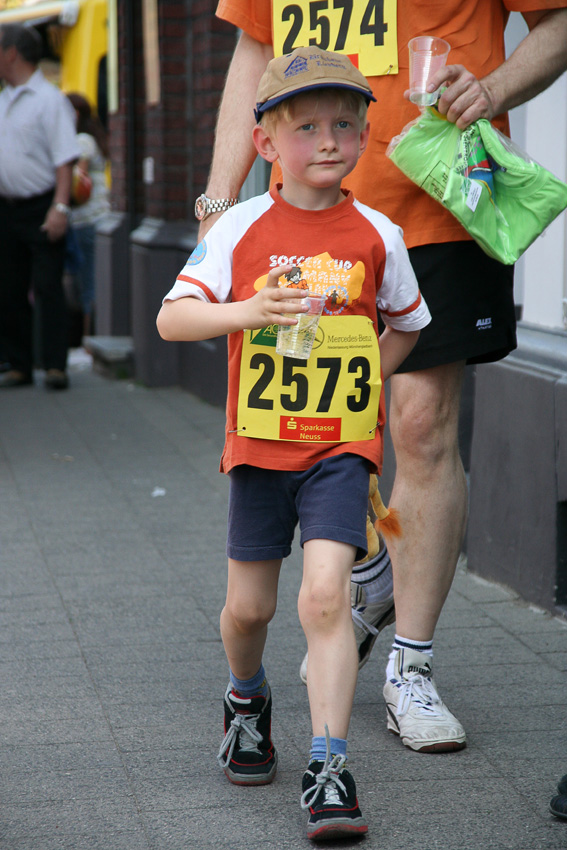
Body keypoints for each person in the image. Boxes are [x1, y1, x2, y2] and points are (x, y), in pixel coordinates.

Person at [198, 1, 567, 754]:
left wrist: (492, 91)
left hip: (436, 201)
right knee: (324, 420)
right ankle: (364, 578)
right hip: (298, 216)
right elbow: (252, 54)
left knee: (421, 425)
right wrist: (216, 199)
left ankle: (412, 666)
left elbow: (557, 23)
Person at [157, 47, 431, 840]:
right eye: (305, 126)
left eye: (344, 124)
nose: (328, 141)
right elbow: (173, 319)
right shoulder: (239, 226)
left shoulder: (379, 232)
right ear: (266, 145)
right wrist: (247, 312)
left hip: (339, 452)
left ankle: (328, 764)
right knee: (250, 608)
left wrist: (364, 380)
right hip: (258, 448)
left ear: (364, 135)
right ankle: (246, 697)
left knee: (322, 598)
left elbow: (409, 325)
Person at [0, 24, 79, 391]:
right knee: (9, 287)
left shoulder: (50, 99)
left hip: (42, 205)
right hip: (7, 207)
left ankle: (54, 366)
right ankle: (19, 364)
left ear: (11, 52)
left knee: (48, 286)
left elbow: (65, 159)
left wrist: (60, 208)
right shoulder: (4, 99)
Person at [66, 92, 110, 341]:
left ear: (74, 114)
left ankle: (87, 339)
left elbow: (77, 184)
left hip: (86, 220)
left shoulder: (81, 141)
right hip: (97, 217)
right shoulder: (92, 137)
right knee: (92, 281)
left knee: (87, 285)